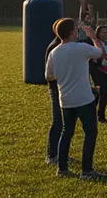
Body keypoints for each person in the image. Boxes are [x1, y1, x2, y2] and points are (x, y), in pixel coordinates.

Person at [45, 18, 106, 179]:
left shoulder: (54, 52)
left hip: (65, 99)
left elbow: (49, 76)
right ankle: (86, 171)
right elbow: (101, 53)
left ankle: (62, 168)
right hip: (84, 99)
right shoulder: (80, 48)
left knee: (67, 132)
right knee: (90, 132)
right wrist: (93, 37)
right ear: (72, 33)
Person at [92, 25, 107, 123]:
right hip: (98, 72)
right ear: (98, 34)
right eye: (103, 32)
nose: (106, 34)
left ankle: (101, 116)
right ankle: (93, 115)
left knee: (106, 94)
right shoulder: (94, 44)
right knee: (98, 94)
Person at [45, 34, 63, 165]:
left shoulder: (62, 46)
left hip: (63, 87)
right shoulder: (55, 47)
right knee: (57, 122)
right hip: (57, 89)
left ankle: (60, 153)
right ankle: (51, 155)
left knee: (64, 123)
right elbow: (49, 75)